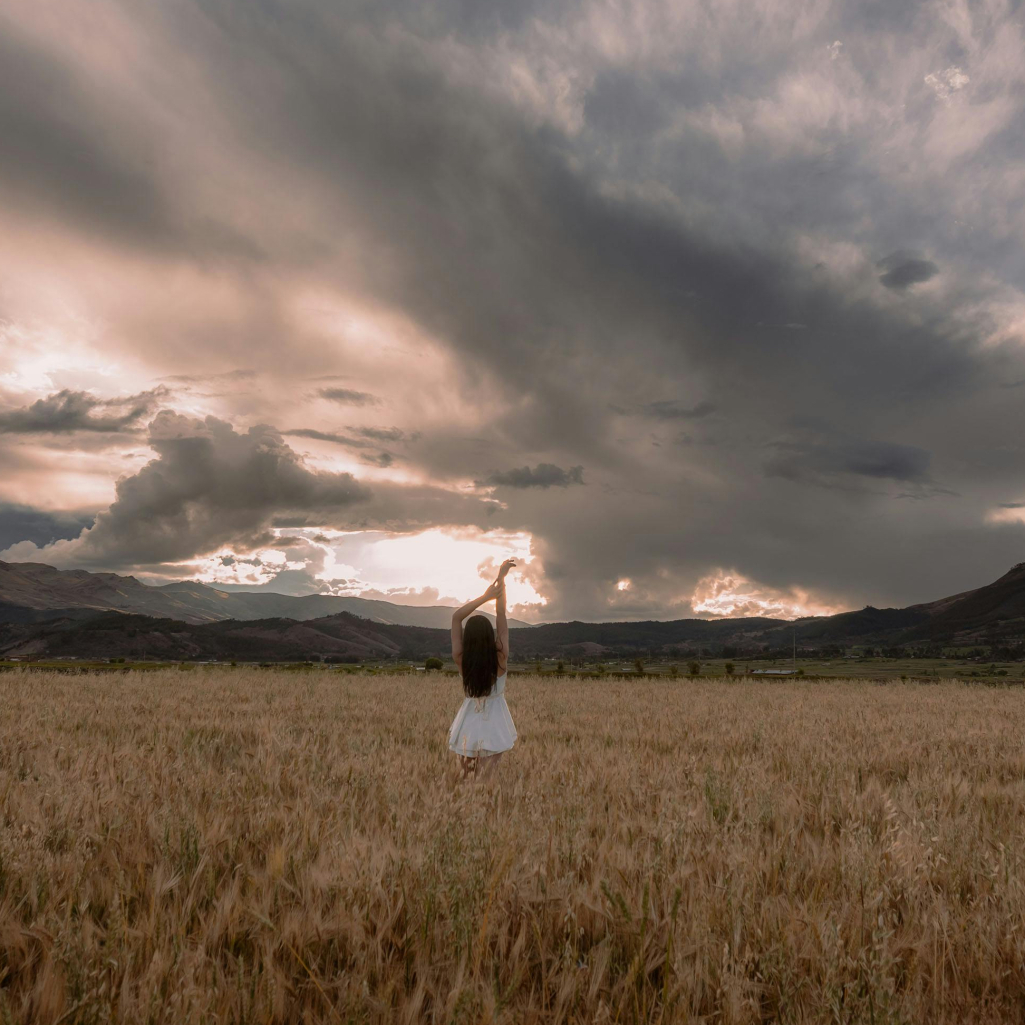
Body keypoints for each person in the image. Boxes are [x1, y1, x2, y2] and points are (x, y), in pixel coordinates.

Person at [448, 558, 517, 782]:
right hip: (495, 723)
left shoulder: (461, 658)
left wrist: (484, 597)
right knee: (486, 780)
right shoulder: (501, 656)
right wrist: (501, 577)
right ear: (490, 636)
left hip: (468, 720)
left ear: (467, 639)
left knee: (467, 779)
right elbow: (502, 615)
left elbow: (456, 617)